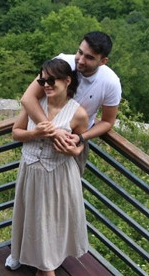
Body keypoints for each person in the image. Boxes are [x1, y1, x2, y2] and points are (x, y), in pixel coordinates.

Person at [7, 58, 89, 276]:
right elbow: (15, 132)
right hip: (31, 170)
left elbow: (81, 143)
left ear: (67, 81)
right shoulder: (35, 105)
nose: (45, 85)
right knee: (34, 218)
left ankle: (48, 275)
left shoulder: (78, 113)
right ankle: (45, 270)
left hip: (57, 175)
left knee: (51, 220)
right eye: (42, 80)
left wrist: (74, 150)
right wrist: (35, 133)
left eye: (50, 80)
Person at [20, 31, 121, 174]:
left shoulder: (111, 83)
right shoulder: (62, 62)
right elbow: (28, 98)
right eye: (80, 52)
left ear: (103, 61)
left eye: (89, 57)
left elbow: (107, 122)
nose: (80, 60)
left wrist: (80, 138)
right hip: (40, 138)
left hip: (73, 141)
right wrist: (54, 133)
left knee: (67, 189)